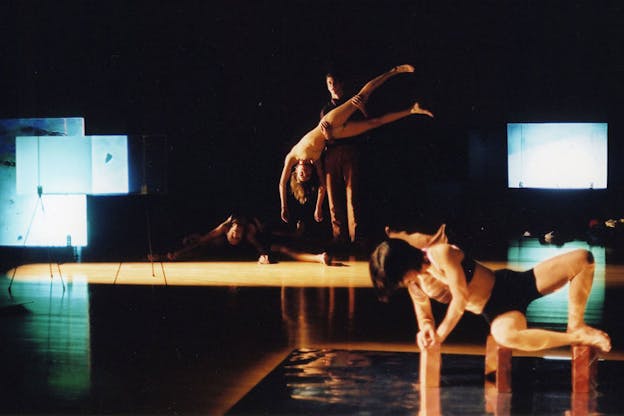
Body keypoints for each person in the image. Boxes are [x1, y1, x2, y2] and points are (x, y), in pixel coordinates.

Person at [369, 225, 612, 353]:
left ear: (404, 264)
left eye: (400, 277)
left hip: (510, 284)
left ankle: (576, 324)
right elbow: (423, 312)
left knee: (583, 259)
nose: (403, 283)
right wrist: (426, 329)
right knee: (505, 336)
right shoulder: (416, 282)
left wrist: (441, 334)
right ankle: (575, 337)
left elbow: (460, 298)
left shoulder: (439, 254)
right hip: (495, 310)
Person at [279, 64, 434, 227]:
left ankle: (393, 71)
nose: (305, 174)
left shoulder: (292, 155)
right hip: (334, 134)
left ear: (295, 173)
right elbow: (323, 186)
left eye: (301, 175)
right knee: (373, 123)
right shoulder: (315, 160)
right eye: (308, 176)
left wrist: (284, 206)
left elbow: (282, 183)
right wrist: (318, 207)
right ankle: (412, 109)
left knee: (362, 96)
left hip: (328, 124)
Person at [151, 214, 331, 265]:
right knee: (198, 244)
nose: (236, 236)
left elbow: (261, 247)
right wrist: (175, 255)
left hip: (261, 238)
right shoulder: (223, 228)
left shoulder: (250, 232)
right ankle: (164, 255)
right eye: (234, 236)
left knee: (284, 248)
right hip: (232, 245)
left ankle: (317, 257)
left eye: (236, 235)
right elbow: (203, 240)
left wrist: (264, 256)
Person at [320, 71, 365, 249]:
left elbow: (368, 125)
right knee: (333, 196)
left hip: (351, 151)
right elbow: (323, 138)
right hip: (332, 153)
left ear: (341, 84)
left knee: (352, 195)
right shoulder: (326, 109)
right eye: (329, 83)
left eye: (335, 83)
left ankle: (357, 238)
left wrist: (362, 109)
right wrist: (328, 137)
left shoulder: (352, 104)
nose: (332, 86)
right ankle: (339, 238)